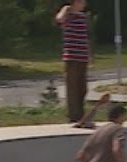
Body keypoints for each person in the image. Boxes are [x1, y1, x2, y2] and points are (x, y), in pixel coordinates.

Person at [55, 0, 93, 128]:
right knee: (72, 87)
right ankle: (73, 116)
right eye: (81, 2)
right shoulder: (68, 15)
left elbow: (85, 37)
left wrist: (89, 54)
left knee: (83, 88)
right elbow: (59, 19)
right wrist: (66, 9)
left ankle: (81, 116)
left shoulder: (82, 17)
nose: (84, 4)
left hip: (82, 56)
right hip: (71, 56)